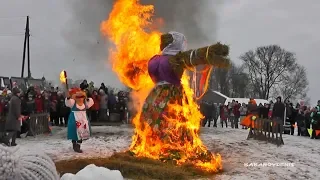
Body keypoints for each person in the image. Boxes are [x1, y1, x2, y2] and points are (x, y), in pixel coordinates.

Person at [130, 31, 230, 165]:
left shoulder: (153, 60)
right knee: (173, 122)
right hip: (172, 95)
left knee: (151, 120)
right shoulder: (177, 59)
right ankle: (170, 149)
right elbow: (196, 56)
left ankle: (151, 146)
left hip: (154, 96)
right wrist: (213, 51)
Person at [65, 88, 94, 153]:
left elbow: (90, 103)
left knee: (82, 132)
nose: (80, 99)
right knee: (75, 132)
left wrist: (88, 96)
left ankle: (78, 145)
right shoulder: (73, 102)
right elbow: (68, 103)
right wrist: (68, 98)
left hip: (83, 119)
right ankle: (74, 144)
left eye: (82, 97)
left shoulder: (85, 103)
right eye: (78, 97)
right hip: (74, 118)